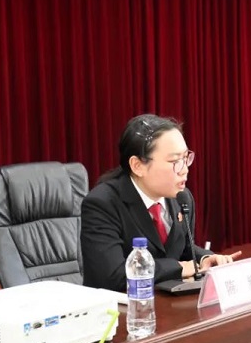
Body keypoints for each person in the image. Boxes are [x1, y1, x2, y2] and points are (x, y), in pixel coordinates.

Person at [81, 114, 241, 292]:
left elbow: (183, 248)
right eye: (175, 161)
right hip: (122, 306)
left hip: (166, 302)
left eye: (185, 158)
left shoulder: (181, 198)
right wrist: (180, 268)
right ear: (137, 166)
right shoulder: (102, 204)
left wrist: (204, 258)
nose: (185, 170)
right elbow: (112, 276)